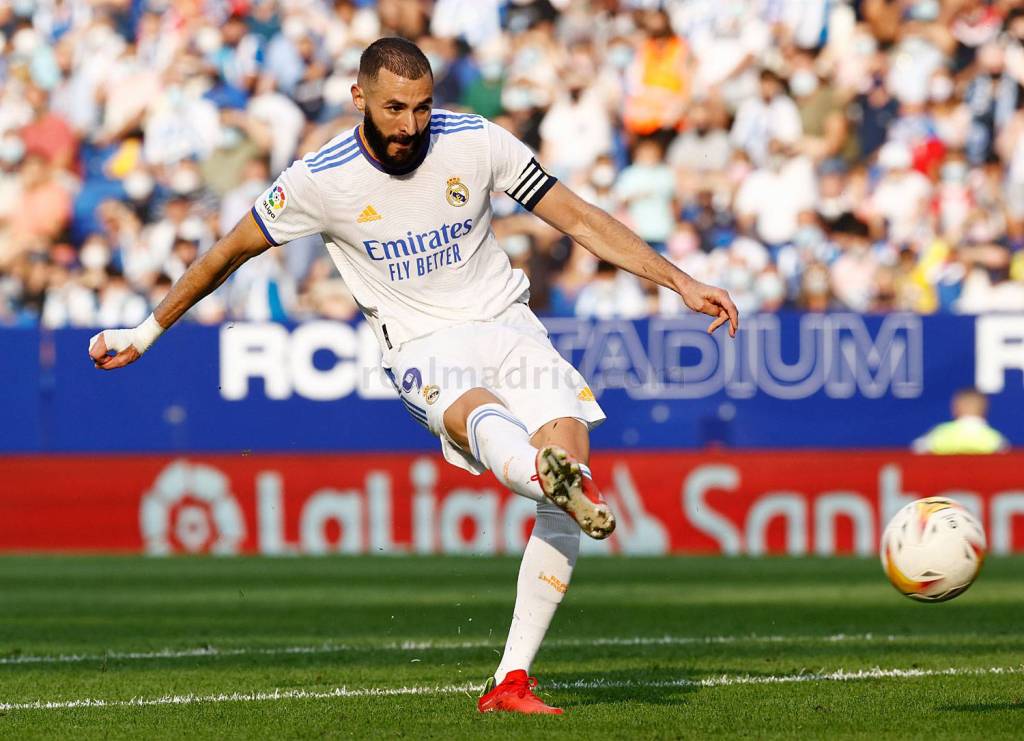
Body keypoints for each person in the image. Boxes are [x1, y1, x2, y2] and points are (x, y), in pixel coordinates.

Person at [88, 38, 738, 715]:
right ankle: (544, 474)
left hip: (509, 324)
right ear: (359, 99)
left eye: (422, 107)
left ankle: (512, 679)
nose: (410, 125)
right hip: (422, 345)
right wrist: (145, 331)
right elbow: (228, 253)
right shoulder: (320, 179)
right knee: (489, 422)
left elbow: (577, 217)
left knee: (571, 468)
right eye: (394, 108)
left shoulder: (475, 140)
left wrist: (680, 281)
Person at [912, 388, 1009, 455]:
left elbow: (917, 449)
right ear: (984, 409)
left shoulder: (941, 434)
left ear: (955, 408)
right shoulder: (994, 438)